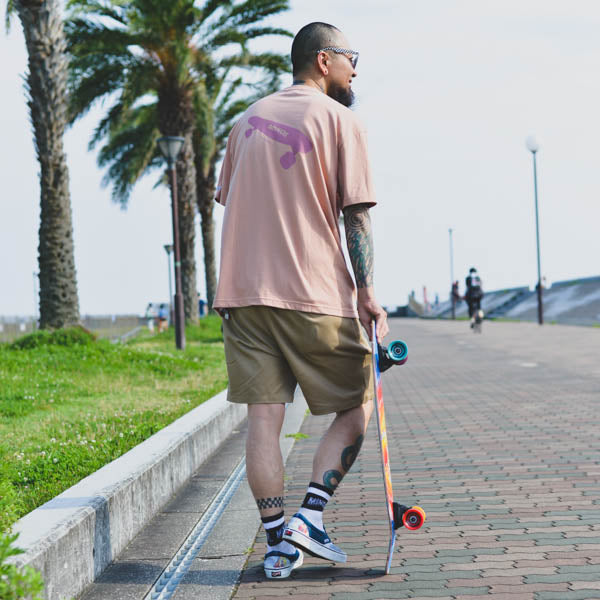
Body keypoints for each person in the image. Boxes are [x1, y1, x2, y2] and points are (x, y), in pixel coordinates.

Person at [213, 22, 388, 579]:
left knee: (263, 424)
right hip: (313, 292)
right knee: (360, 401)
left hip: (241, 296)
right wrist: (367, 292)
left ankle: (276, 546)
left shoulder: (243, 123)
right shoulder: (342, 121)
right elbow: (355, 214)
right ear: (322, 61)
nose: (355, 69)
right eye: (349, 57)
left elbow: (231, 199)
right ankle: (309, 517)